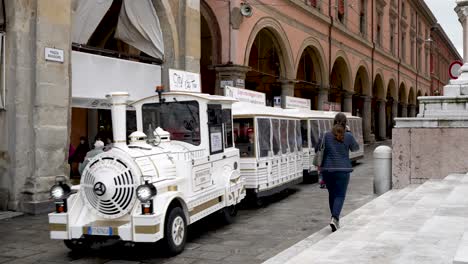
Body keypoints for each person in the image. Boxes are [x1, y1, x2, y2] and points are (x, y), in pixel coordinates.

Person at [315, 113, 359, 232]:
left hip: (327, 170)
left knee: (332, 194)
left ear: (333, 122)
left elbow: (317, 149)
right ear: (346, 124)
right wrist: (349, 133)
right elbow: (356, 148)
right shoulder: (348, 136)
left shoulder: (325, 135)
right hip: (343, 170)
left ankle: (334, 219)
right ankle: (334, 218)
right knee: (340, 195)